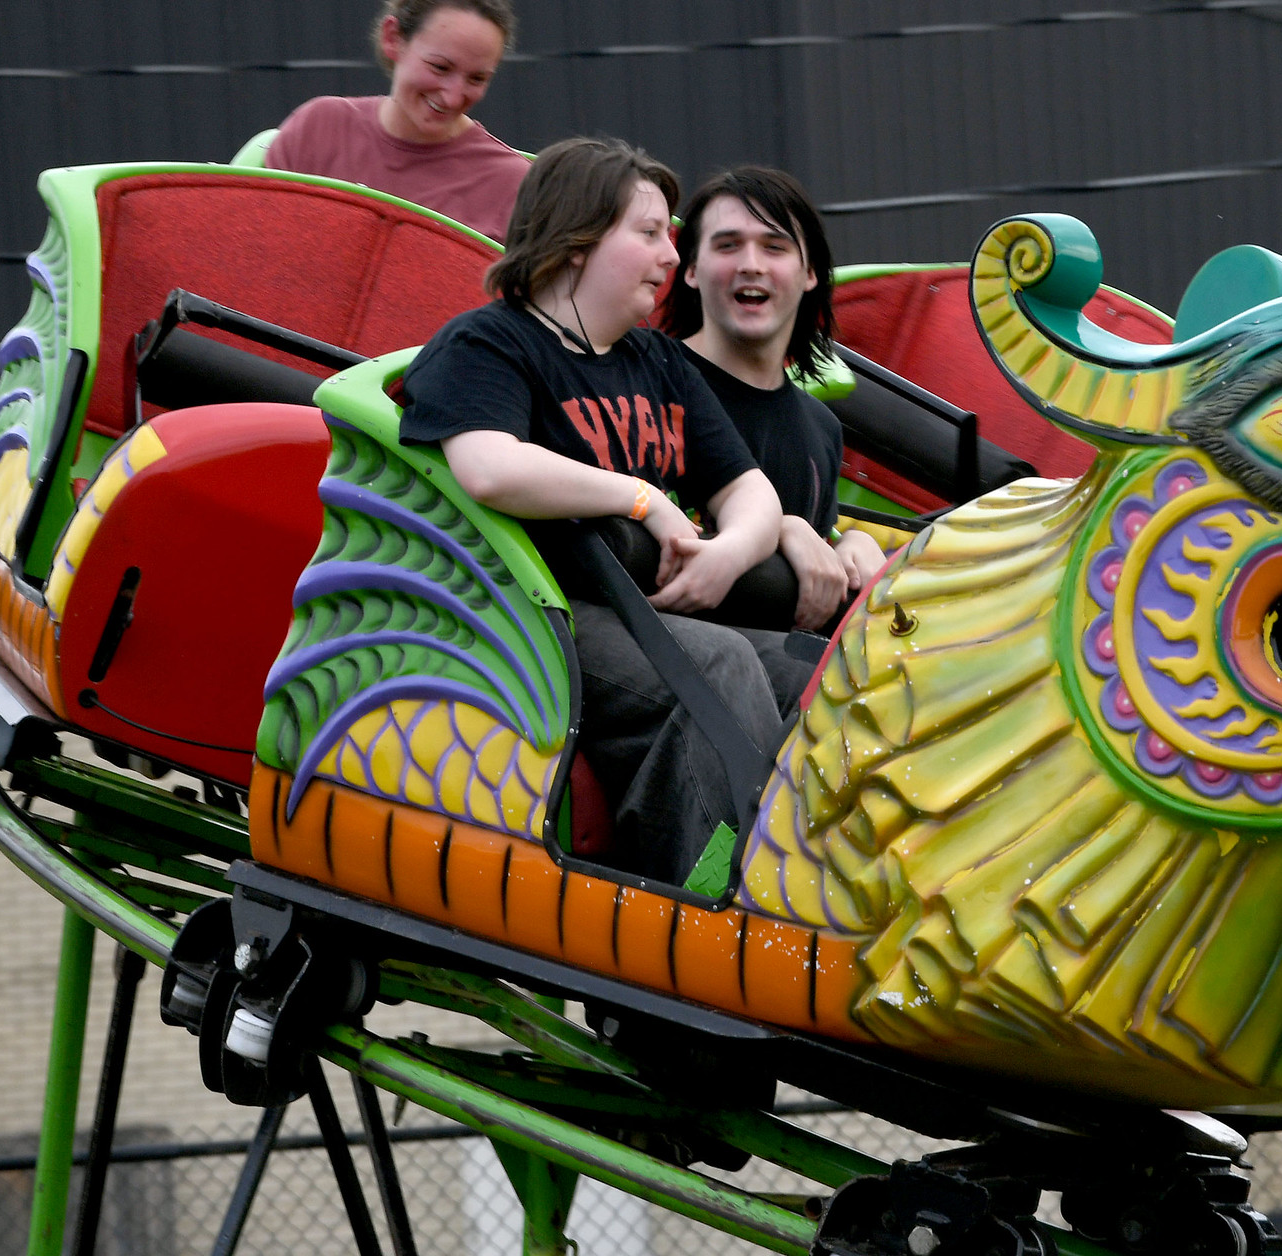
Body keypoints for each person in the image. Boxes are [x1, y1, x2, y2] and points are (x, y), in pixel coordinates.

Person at [400, 137, 791, 885]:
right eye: (648, 233)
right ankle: (713, 896)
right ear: (575, 241)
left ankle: (811, 891)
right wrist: (640, 498)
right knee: (718, 663)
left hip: (647, 616)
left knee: (813, 671)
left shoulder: (659, 361)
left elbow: (751, 490)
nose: (671, 257)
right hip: (526, 624)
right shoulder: (488, 343)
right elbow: (488, 467)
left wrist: (730, 554)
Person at [661, 167, 888, 632]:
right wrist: (781, 529)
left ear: (809, 274)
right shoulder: (649, 377)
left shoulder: (821, 427)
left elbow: (812, 577)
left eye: (774, 246)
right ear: (689, 269)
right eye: (727, 245)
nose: (751, 264)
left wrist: (849, 550)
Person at [265, 0, 529, 241]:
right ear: (392, 38)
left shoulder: (515, 186)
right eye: (440, 67)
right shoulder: (318, 129)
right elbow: (259, 244)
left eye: (476, 79)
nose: (452, 97)